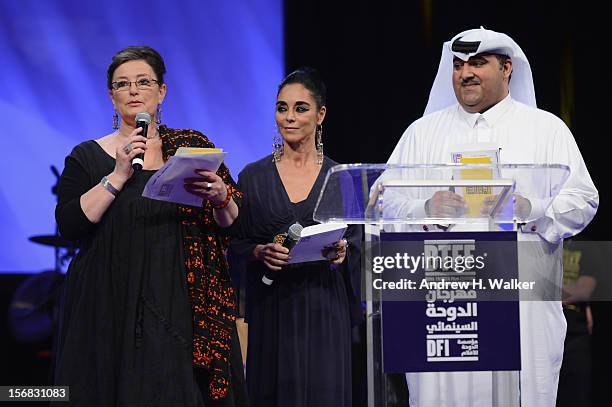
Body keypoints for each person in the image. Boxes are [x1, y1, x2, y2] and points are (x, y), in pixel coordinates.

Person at [385, 27, 599, 406]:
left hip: (521, 303)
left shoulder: (546, 129)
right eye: (457, 64)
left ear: (507, 69)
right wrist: (425, 207)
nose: (465, 73)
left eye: (478, 63)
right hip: (445, 307)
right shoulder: (422, 133)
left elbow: (583, 200)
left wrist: (531, 210)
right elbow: (381, 200)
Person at [53, 46, 247, 406]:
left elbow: (232, 223)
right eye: (122, 84)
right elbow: (69, 224)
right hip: (110, 297)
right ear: (111, 96)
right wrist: (117, 176)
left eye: (144, 82)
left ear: (162, 91)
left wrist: (221, 195)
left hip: (180, 299)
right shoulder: (87, 155)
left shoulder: (191, 148)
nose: (133, 90)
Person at [228, 68, 362, 407]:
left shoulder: (339, 176)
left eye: (300, 108)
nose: (289, 117)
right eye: (281, 107)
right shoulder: (253, 177)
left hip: (324, 310)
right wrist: (259, 251)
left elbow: (361, 241)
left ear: (321, 115)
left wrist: (346, 251)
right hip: (272, 311)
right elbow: (232, 243)